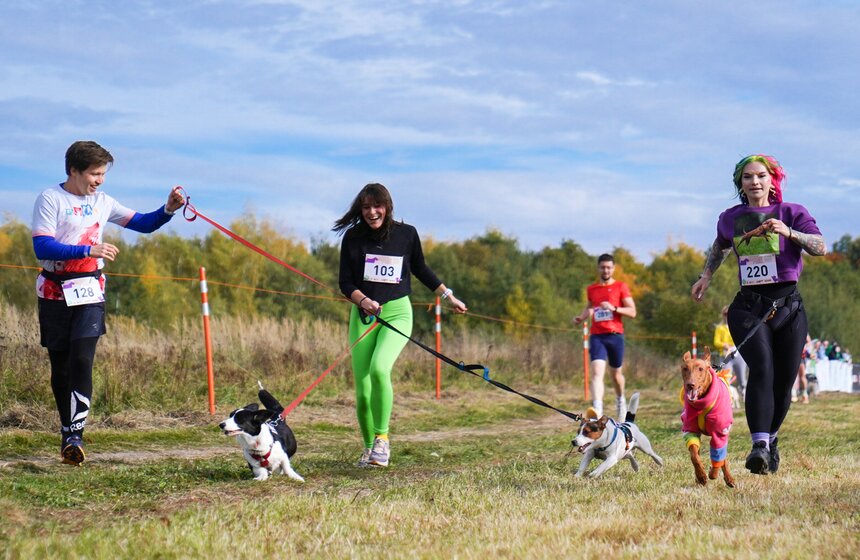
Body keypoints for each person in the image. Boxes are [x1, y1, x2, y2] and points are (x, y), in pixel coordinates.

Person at [31, 140, 186, 466]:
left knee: (82, 358)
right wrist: (87, 250)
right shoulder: (50, 199)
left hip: (89, 290)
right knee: (59, 368)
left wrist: (169, 208)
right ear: (73, 170)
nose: (99, 180)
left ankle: (76, 434)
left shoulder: (102, 201)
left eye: (103, 174)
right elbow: (42, 247)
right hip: (54, 292)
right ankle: (66, 430)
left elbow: (143, 223)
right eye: (94, 173)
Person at [691, 154, 826, 475]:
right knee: (762, 368)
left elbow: (821, 247)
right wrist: (706, 275)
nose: (755, 182)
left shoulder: (792, 212)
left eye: (761, 176)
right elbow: (720, 245)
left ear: (772, 180)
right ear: (740, 183)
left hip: (788, 306)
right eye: (748, 177)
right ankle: (759, 445)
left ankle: (771, 439)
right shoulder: (731, 218)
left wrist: (790, 232)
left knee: (783, 381)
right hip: (749, 306)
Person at [333, 183, 467, 468]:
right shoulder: (353, 238)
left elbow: (421, 268)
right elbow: (345, 283)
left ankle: (383, 439)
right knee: (362, 388)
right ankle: (369, 448)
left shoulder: (407, 234)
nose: (372, 212)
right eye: (366, 207)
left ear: (387, 206)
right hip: (364, 316)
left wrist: (448, 296)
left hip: (397, 314)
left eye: (377, 206)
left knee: (380, 368)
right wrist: (363, 300)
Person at [573, 253, 637, 419]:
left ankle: (620, 401)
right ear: (598, 268)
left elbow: (632, 311)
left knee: (616, 375)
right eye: (603, 267)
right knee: (596, 372)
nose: (606, 270)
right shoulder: (592, 289)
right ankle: (597, 410)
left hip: (615, 335)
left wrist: (614, 308)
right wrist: (581, 317)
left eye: (609, 267)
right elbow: (590, 308)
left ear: (613, 268)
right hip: (597, 336)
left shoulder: (621, 287)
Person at [714, 305, 747, 399]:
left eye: (729, 314)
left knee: (742, 379)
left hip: (738, 354)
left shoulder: (738, 325)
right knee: (725, 378)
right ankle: (726, 398)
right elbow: (716, 342)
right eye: (725, 314)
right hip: (726, 355)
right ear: (722, 315)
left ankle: (744, 395)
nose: (727, 316)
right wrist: (724, 345)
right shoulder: (720, 328)